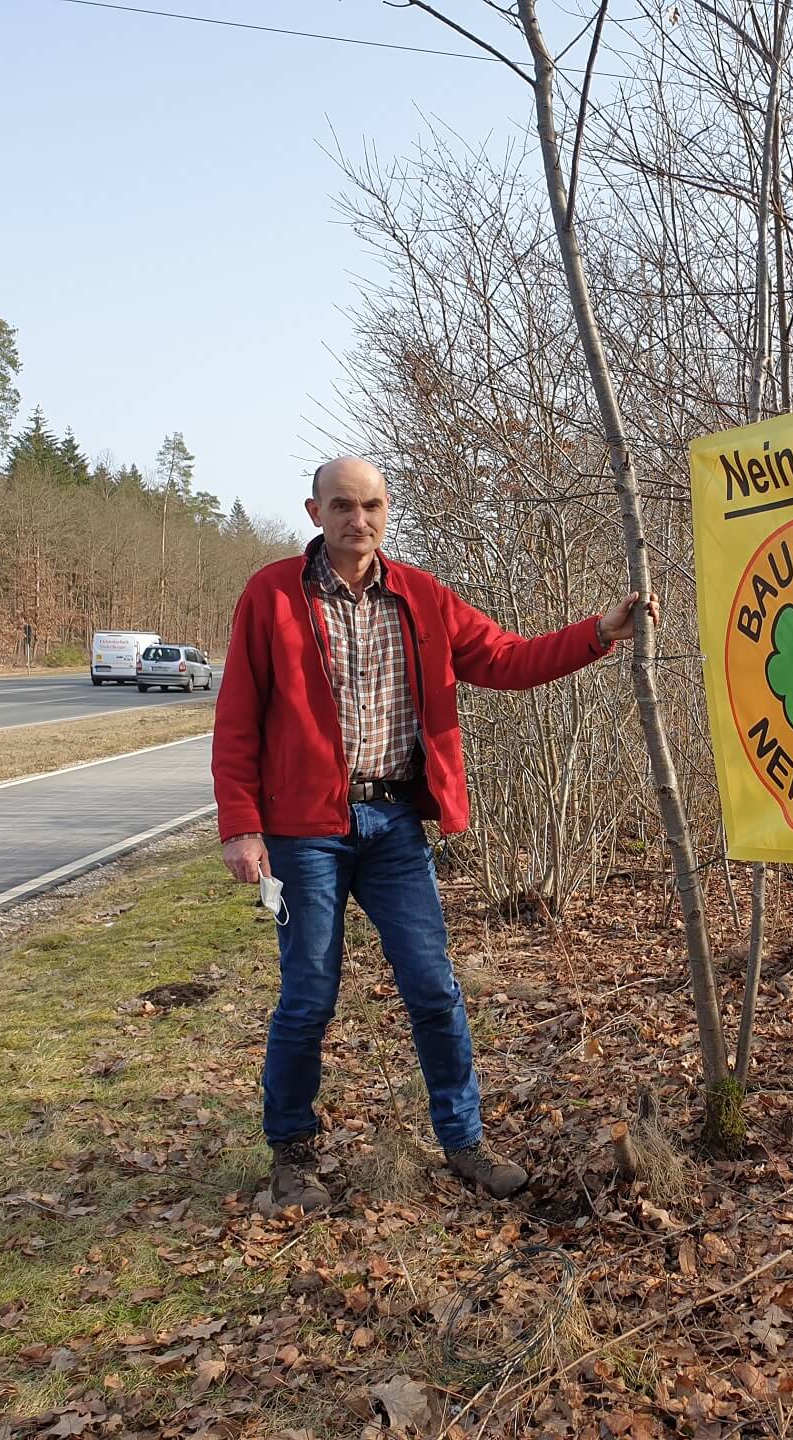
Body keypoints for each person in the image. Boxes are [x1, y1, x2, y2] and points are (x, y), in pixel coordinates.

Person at [213, 456, 656, 1215]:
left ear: (387, 512)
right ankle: (292, 1154)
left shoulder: (421, 596)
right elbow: (238, 718)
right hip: (303, 833)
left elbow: (507, 659)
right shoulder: (272, 595)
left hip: (393, 824)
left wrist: (598, 633)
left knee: (434, 987)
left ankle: (464, 1141)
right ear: (315, 513)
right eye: (342, 505)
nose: (359, 519)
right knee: (309, 995)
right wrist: (242, 827)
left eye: (372, 505)